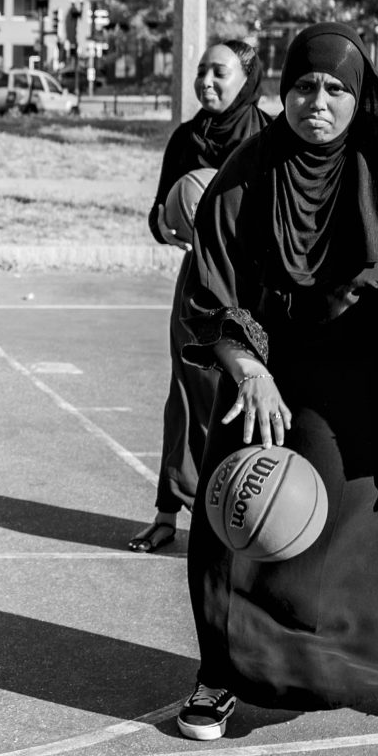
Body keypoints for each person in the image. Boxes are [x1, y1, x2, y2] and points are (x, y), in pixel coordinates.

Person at [173, 22, 378, 751]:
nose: (314, 102)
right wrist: (248, 367)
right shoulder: (245, 172)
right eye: (300, 87)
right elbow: (210, 289)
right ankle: (223, 671)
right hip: (275, 374)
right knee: (237, 522)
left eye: (333, 88)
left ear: (360, 95)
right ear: (281, 93)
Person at [129, 37, 267, 554]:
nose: (206, 82)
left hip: (254, 280)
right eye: (201, 71)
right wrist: (169, 227)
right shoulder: (186, 138)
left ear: (247, 79)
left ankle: (249, 513)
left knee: (247, 394)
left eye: (220, 73)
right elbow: (157, 212)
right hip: (199, 280)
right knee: (188, 394)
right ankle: (168, 512)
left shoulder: (270, 136)